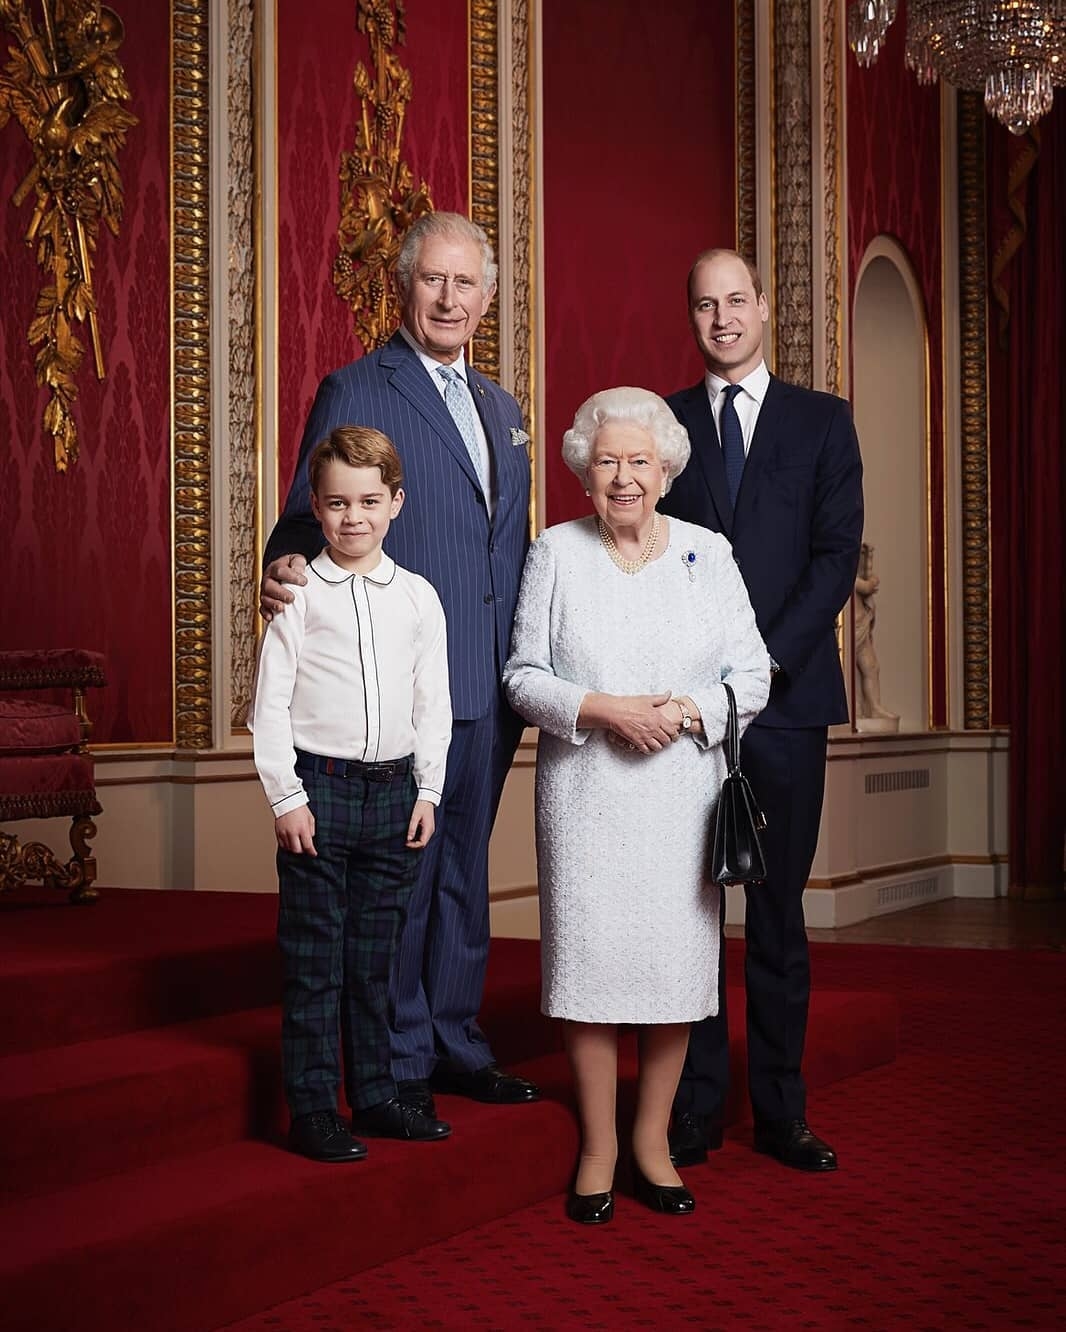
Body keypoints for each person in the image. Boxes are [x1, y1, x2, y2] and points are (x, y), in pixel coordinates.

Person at [260, 213, 539, 1116]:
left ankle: (456, 1039)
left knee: (464, 874)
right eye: (433, 280)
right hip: (400, 681)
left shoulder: (502, 407)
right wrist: (283, 566)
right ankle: (397, 1058)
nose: (450, 300)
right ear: (403, 286)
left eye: (466, 284)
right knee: (404, 885)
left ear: (487, 297)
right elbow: (304, 515)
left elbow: (503, 544)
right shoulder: (358, 387)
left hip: (491, 679)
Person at [503, 387, 771, 1224]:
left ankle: (651, 1142)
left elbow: (752, 675)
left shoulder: (706, 553)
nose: (624, 477)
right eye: (608, 461)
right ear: (584, 471)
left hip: (680, 795)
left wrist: (685, 712)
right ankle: (598, 1147)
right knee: (587, 969)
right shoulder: (555, 551)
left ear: (666, 470)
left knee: (673, 972)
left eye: (640, 462)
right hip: (585, 794)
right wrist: (604, 710)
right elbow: (522, 677)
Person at [661, 248, 864, 1173]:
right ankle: (695, 1106)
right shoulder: (662, 425)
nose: (723, 319)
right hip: (689, 709)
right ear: (693, 317)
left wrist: (762, 666)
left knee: (777, 913)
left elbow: (835, 558)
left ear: (765, 308)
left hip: (785, 703)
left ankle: (782, 1110)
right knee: (693, 914)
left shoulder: (823, 422)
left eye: (736, 301)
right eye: (706, 305)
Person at [249, 426, 453, 1160]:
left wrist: (428, 790)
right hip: (320, 792)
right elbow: (269, 705)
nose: (354, 517)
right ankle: (311, 1108)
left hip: (395, 795)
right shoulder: (299, 595)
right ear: (316, 505)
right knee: (315, 960)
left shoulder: (419, 598)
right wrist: (286, 797)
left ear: (396, 502)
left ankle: (374, 1095)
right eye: (338, 503)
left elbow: (433, 702)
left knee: (374, 961)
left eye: (369, 501)